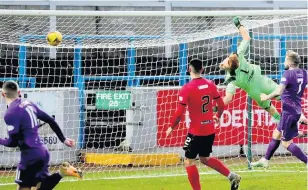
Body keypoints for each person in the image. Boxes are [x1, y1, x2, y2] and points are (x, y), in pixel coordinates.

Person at [166, 59, 241, 190]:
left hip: (196, 131)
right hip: (209, 129)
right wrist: (217, 116)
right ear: (202, 69)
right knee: (204, 158)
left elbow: (179, 113)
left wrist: (171, 127)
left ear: (189, 69)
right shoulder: (210, 84)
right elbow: (221, 104)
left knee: (189, 161)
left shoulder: (187, 88)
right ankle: (232, 176)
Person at [0, 81, 82, 190]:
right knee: (40, 186)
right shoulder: (29, 104)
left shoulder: (10, 113)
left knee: (23, 187)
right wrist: (63, 139)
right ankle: (62, 173)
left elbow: (12, 143)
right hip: (43, 153)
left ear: (2, 94)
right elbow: (50, 120)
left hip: (29, 156)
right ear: (19, 92)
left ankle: (62, 173)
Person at [251, 50, 307, 168]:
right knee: (276, 134)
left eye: (286, 59)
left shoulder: (288, 74)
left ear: (290, 62)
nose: (284, 61)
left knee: (286, 143)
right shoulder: (304, 72)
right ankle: (265, 160)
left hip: (288, 112)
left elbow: (278, 91)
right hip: (296, 109)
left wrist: (266, 97)